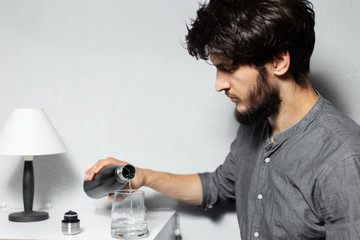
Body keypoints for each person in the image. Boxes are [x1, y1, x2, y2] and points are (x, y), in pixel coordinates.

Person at [85, 0, 360, 238]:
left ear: (278, 62)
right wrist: (143, 175)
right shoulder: (255, 125)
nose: (219, 85)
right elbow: (217, 186)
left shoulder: (342, 158)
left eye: (228, 68)